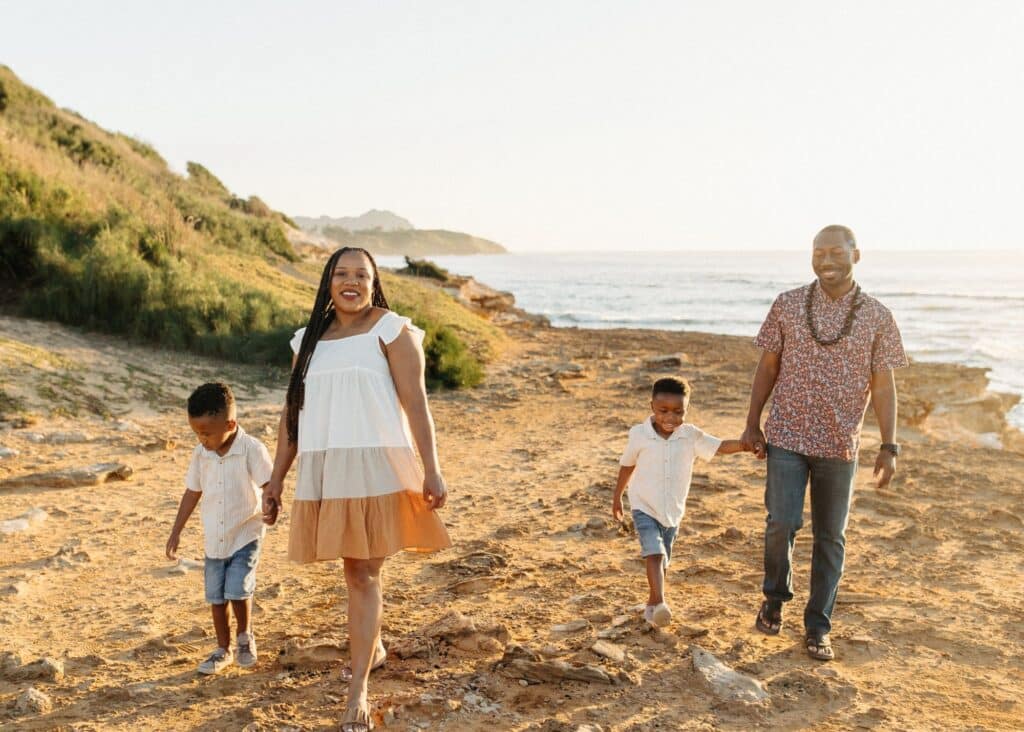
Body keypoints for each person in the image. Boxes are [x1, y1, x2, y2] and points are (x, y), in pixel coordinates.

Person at [263, 246, 451, 732]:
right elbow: (292, 414)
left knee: (364, 573)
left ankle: (358, 692)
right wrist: (277, 477)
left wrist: (432, 469)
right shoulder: (306, 341)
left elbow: (417, 405)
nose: (351, 282)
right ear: (328, 281)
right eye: (341, 274)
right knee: (356, 574)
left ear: (373, 282)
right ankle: (374, 647)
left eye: (361, 275)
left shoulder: (393, 330)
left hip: (380, 465)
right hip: (328, 467)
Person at [742, 225, 908, 661]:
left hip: (840, 444)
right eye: (818, 252)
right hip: (787, 435)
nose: (826, 259)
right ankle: (775, 598)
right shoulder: (788, 304)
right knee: (782, 522)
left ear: (857, 254)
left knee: (831, 537)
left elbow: (885, 386)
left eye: (836, 251)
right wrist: (751, 423)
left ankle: (818, 626)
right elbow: (767, 367)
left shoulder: (877, 316)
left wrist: (889, 446)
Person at [612, 377, 750, 627]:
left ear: (687, 410)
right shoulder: (639, 434)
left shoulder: (690, 435)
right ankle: (661, 602)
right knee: (654, 552)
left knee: (664, 559)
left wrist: (745, 445)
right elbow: (627, 466)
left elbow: (719, 446)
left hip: (673, 511)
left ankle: (652, 605)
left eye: (678, 412)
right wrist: (618, 498)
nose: (670, 418)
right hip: (644, 505)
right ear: (652, 407)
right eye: (663, 411)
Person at [166, 382, 273, 675]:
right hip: (215, 538)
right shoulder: (201, 455)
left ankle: (245, 637)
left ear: (230, 423)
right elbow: (192, 492)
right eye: (196, 433)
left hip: (245, 533)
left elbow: (268, 483)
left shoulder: (251, 449)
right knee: (216, 597)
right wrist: (176, 531)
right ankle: (222, 648)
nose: (202, 440)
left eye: (206, 433)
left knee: (238, 589)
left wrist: (271, 502)